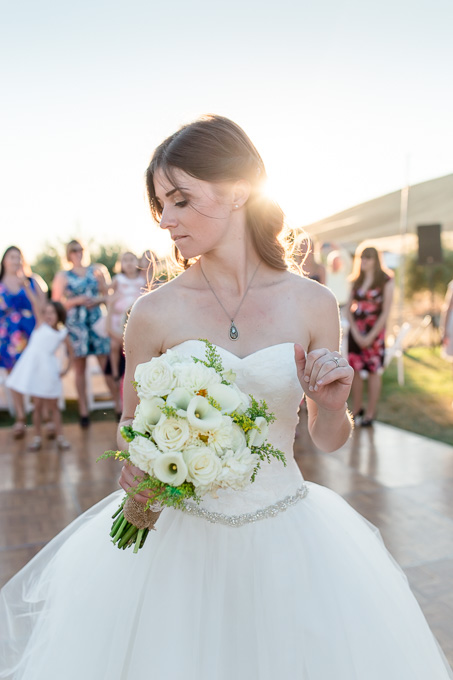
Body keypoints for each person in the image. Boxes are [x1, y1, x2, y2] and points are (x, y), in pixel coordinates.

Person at [0, 116, 451, 680]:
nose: (166, 220)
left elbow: (326, 439)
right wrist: (144, 468)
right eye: (161, 204)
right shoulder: (153, 312)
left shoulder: (311, 303)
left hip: (287, 537)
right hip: (176, 545)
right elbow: (129, 425)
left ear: (239, 191)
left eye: (182, 200)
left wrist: (333, 405)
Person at [51, 240, 120, 426]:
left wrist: (98, 299)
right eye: (74, 250)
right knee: (79, 370)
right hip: (76, 326)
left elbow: (109, 296)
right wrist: (75, 301)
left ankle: (119, 407)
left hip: (96, 322)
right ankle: (83, 411)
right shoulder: (63, 275)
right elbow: (55, 304)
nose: (78, 253)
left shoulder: (97, 270)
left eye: (80, 249)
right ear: (68, 253)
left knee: (105, 367)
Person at [6, 293, 73, 451]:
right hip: (34, 370)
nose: (49, 316)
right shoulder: (40, 325)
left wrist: (65, 370)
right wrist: (26, 285)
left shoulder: (62, 333)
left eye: (53, 313)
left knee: (54, 406)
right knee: (37, 406)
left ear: (59, 315)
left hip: (49, 370)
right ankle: (36, 437)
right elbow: (36, 302)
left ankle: (60, 437)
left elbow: (71, 353)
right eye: (46, 312)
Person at [0, 246, 47, 438]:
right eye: (12, 257)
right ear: (4, 261)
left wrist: (26, 286)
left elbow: (43, 307)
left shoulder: (33, 281)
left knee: (35, 374)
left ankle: (41, 416)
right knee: (14, 377)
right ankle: (20, 417)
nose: (16, 260)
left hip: (31, 333)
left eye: (19, 257)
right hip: (7, 337)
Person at [347, 244, 395, 426]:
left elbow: (385, 312)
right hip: (356, 332)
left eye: (368, 257)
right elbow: (349, 311)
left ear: (376, 260)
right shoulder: (356, 280)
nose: (364, 261)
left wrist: (370, 337)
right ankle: (357, 409)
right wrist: (357, 334)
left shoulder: (386, 280)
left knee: (374, 371)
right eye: (362, 257)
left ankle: (370, 413)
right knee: (356, 371)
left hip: (375, 333)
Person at [107, 251, 146, 382]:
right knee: (114, 345)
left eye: (131, 259)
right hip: (119, 317)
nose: (129, 263)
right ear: (121, 264)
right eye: (125, 260)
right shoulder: (118, 279)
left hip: (135, 315)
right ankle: (115, 373)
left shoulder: (142, 279)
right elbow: (107, 291)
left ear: (137, 262)